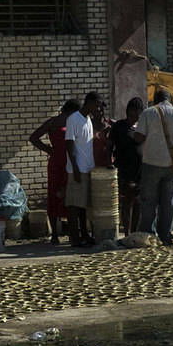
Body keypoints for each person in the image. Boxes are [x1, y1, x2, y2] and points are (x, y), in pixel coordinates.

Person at [136, 87, 173, 246]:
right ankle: (166, 235)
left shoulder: (148, 113)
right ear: (169, 100)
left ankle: (149, 235)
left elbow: (139, 137)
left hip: (151, 163)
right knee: (168, 201)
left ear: (155, 99)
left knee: (149, 201)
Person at [28, 99, 78, 242]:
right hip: (67, 161)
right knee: (66, 194)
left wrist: (49, 150)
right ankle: (67, 232)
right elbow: (33, 138)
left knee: (55, 195)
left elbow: (34, 138)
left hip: (59, 161)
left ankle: (56, 234)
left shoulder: (53, 122)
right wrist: (49, 149)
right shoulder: (69, 122)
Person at [65, 91, 102, 248]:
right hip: (77, 170)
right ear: (90, 103)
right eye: (97, 105)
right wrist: (75, 168)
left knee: (83, 206)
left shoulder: (88, 120)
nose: (98, 109)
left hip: (87, 168)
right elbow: (69, 144)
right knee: (74, 205)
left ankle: (84, 234)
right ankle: (74, 237)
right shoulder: (73, 119)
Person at [110, 96, 145, 236]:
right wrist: (109, 162)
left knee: (138, 202)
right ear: (129, 111)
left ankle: (135, 233)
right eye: (135, 112)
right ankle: (127, 234)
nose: (137, 115)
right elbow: (109, 145)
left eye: (139, 112)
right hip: (124, 169)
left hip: (139, 170)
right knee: (127, 201)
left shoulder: (141, 127)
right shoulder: (119, 126)